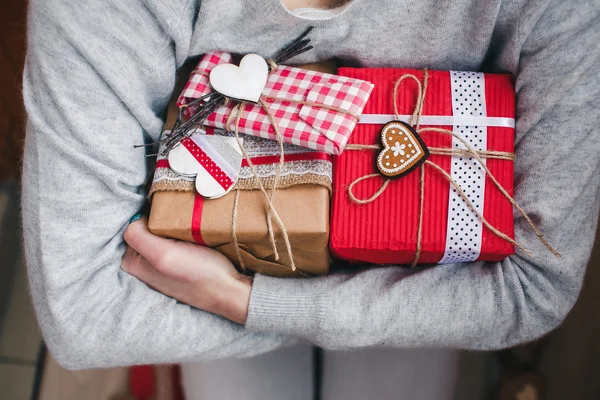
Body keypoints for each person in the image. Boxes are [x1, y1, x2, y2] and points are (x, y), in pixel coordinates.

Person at [21, 0, 600, 399]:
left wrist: (248, 301)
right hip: (416, 287)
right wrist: (380, 314)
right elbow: (84, 316)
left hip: (214, 283)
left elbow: (534, 287)